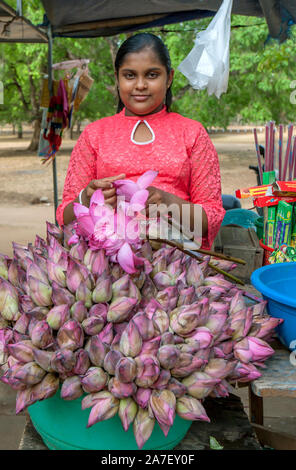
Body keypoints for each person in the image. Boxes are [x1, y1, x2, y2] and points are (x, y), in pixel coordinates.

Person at [56, 33, 225, 250]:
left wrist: (167, 202)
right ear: (117, 78)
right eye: (130, 76)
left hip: (178, 263)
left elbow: (212, 219)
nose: (141, 85)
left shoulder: (192, 133)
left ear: (169, 77)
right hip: (106, 266)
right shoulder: (94, 135)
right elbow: (63, 217)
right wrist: (88, 197)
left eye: (152, 75)